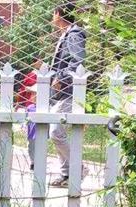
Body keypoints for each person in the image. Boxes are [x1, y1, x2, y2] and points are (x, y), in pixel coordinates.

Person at [48, 1, 85, 187]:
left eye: (53, 13)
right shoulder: (65, 34)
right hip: (61, 94)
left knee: (56, 132)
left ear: (59, 14)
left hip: (70, 92)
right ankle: (66, 174)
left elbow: (78, 61)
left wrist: (60, 77)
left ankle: (78, 169)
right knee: (54, 132)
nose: (52, 17)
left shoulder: (74, 34)